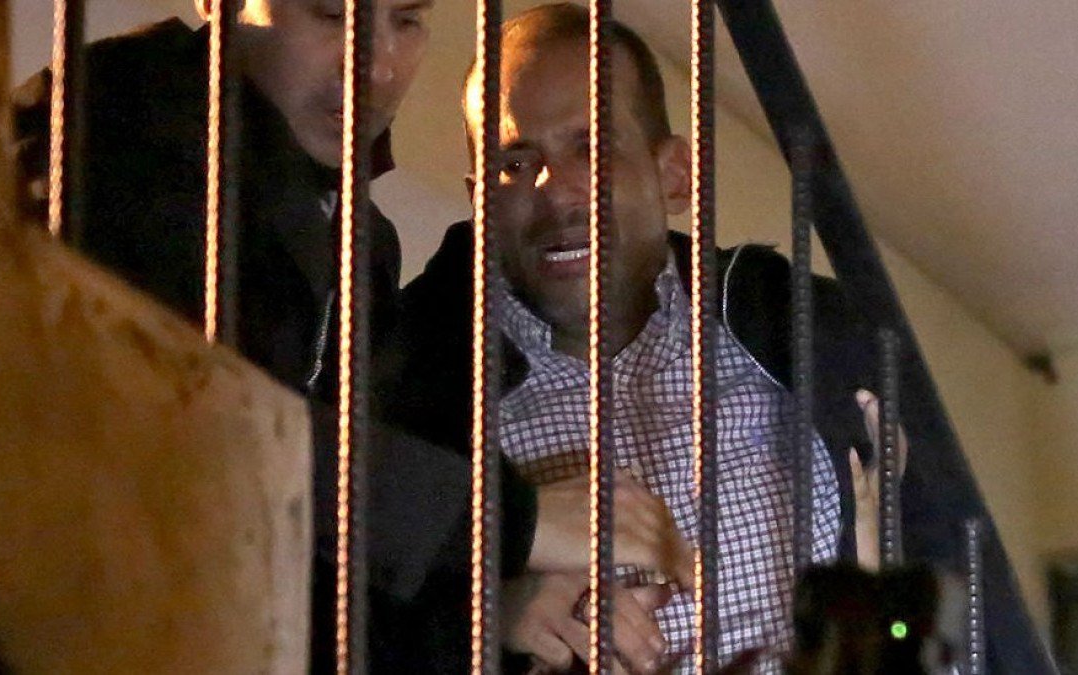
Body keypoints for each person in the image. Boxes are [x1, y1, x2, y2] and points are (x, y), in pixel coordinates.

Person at [12, 1, 693, 671]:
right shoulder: (112, 118)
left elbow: (321, 573)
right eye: (331, 17)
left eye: (408, 21)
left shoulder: (359, 245)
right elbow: (158, 417)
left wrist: (491, 608)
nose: (378, 67)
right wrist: (508, 522)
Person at [384, 3, 1037, 672]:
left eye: (592, 147)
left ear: (674, 174)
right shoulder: (402, 387)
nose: (556, 192)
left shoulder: (810, 335)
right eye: (515, 163)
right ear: (480, 198)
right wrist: (486, 618)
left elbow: (959, 608)